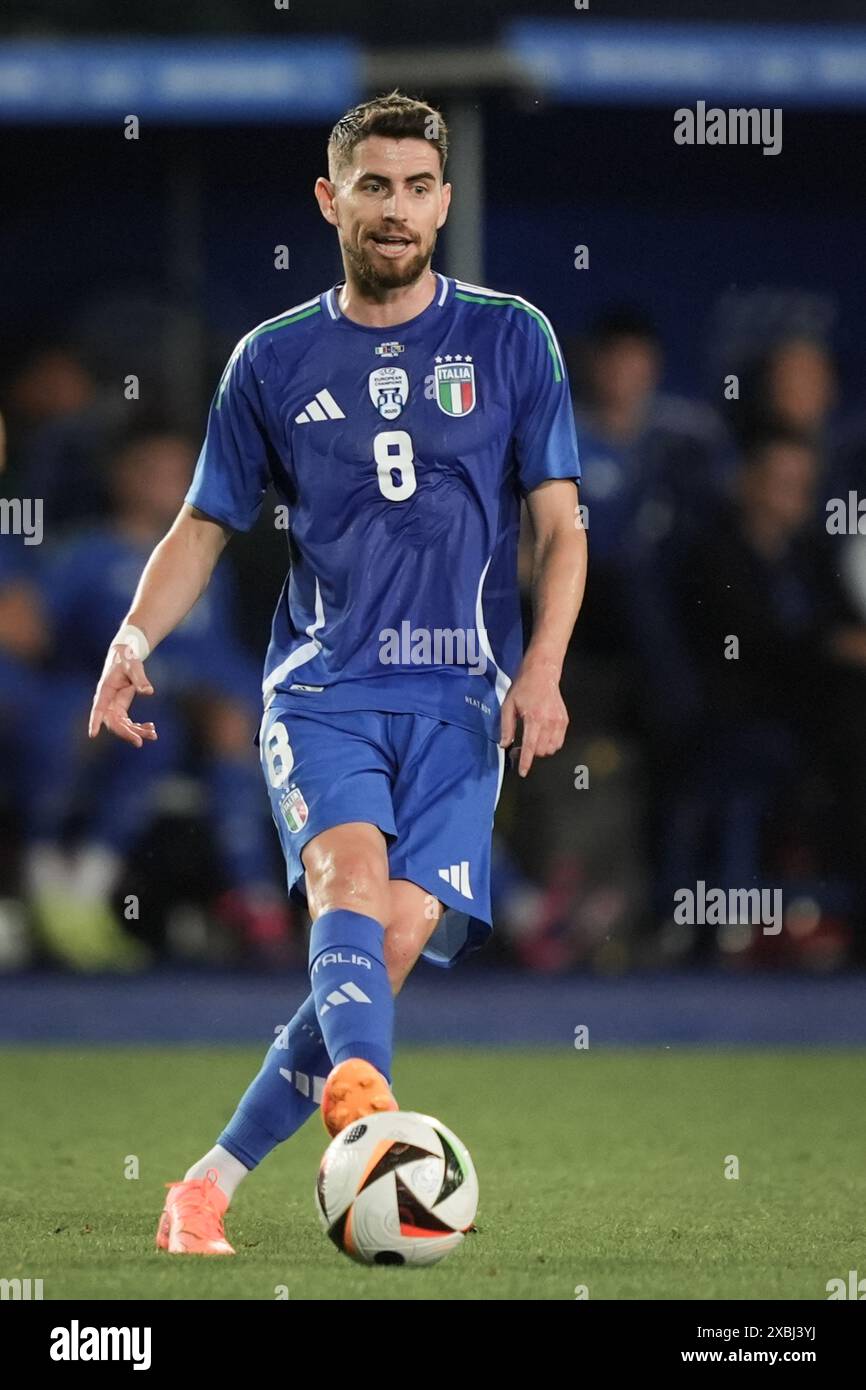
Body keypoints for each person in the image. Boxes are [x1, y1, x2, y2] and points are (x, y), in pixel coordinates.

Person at [88, 90, 586, 1255]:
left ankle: (204, 1182)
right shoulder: (270, 359)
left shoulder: (514, 337)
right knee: (346, 883)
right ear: (331, 198)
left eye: (418, 187)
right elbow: (200, 528)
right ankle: (367, 1117)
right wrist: (130, 639)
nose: (397, 209)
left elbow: (560, 528)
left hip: (461, 701)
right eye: (374, 185)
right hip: (325, 690)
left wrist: (545, 667)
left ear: (445, 200)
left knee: (390, 947)